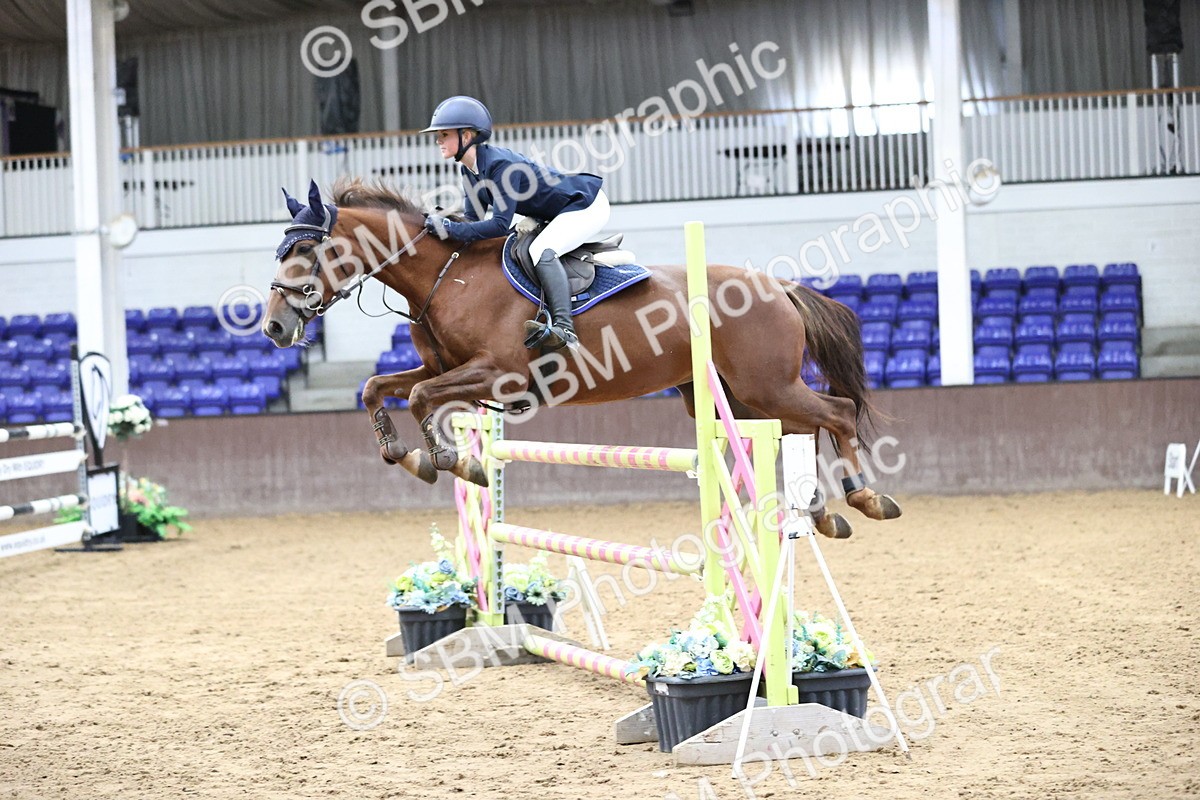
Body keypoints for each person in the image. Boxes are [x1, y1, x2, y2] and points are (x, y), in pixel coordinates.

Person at [421, 95, 609, 351]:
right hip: (554, 211)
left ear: (466, 136)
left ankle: (565, 329)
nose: (438, 140)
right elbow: (473, 222)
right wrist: (442, 222)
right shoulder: (469, 171)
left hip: (585, 205)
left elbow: (498, 225)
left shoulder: (499, 166)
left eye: (444, 134)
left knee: (540, 250)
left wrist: (451, 229)